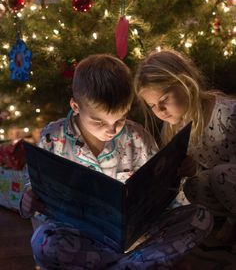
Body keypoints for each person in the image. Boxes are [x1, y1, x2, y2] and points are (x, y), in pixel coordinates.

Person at [21, 54, 212, 270]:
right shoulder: (53, 137)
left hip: (136, 237)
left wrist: (179, 174)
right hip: (82, 237)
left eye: (120, 119)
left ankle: (121, 264)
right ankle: (133, 265)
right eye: (99, 121)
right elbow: (34, 188)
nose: (111, 130)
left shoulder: (137, 136)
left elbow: (163, 191)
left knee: (200, 217)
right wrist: (29, 198)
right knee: (44, 243)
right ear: (75, 106)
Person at [134, 48, 236, 244]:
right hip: (225, 185)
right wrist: (192, 169)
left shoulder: (227, 114)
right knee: (194, 185)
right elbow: (203, 170)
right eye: (152, 106)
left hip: (229, 176)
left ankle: (231, 222)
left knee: (221, 175)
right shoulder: (174, 128)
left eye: (163, 100)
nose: (160, 111)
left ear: (186, 83)